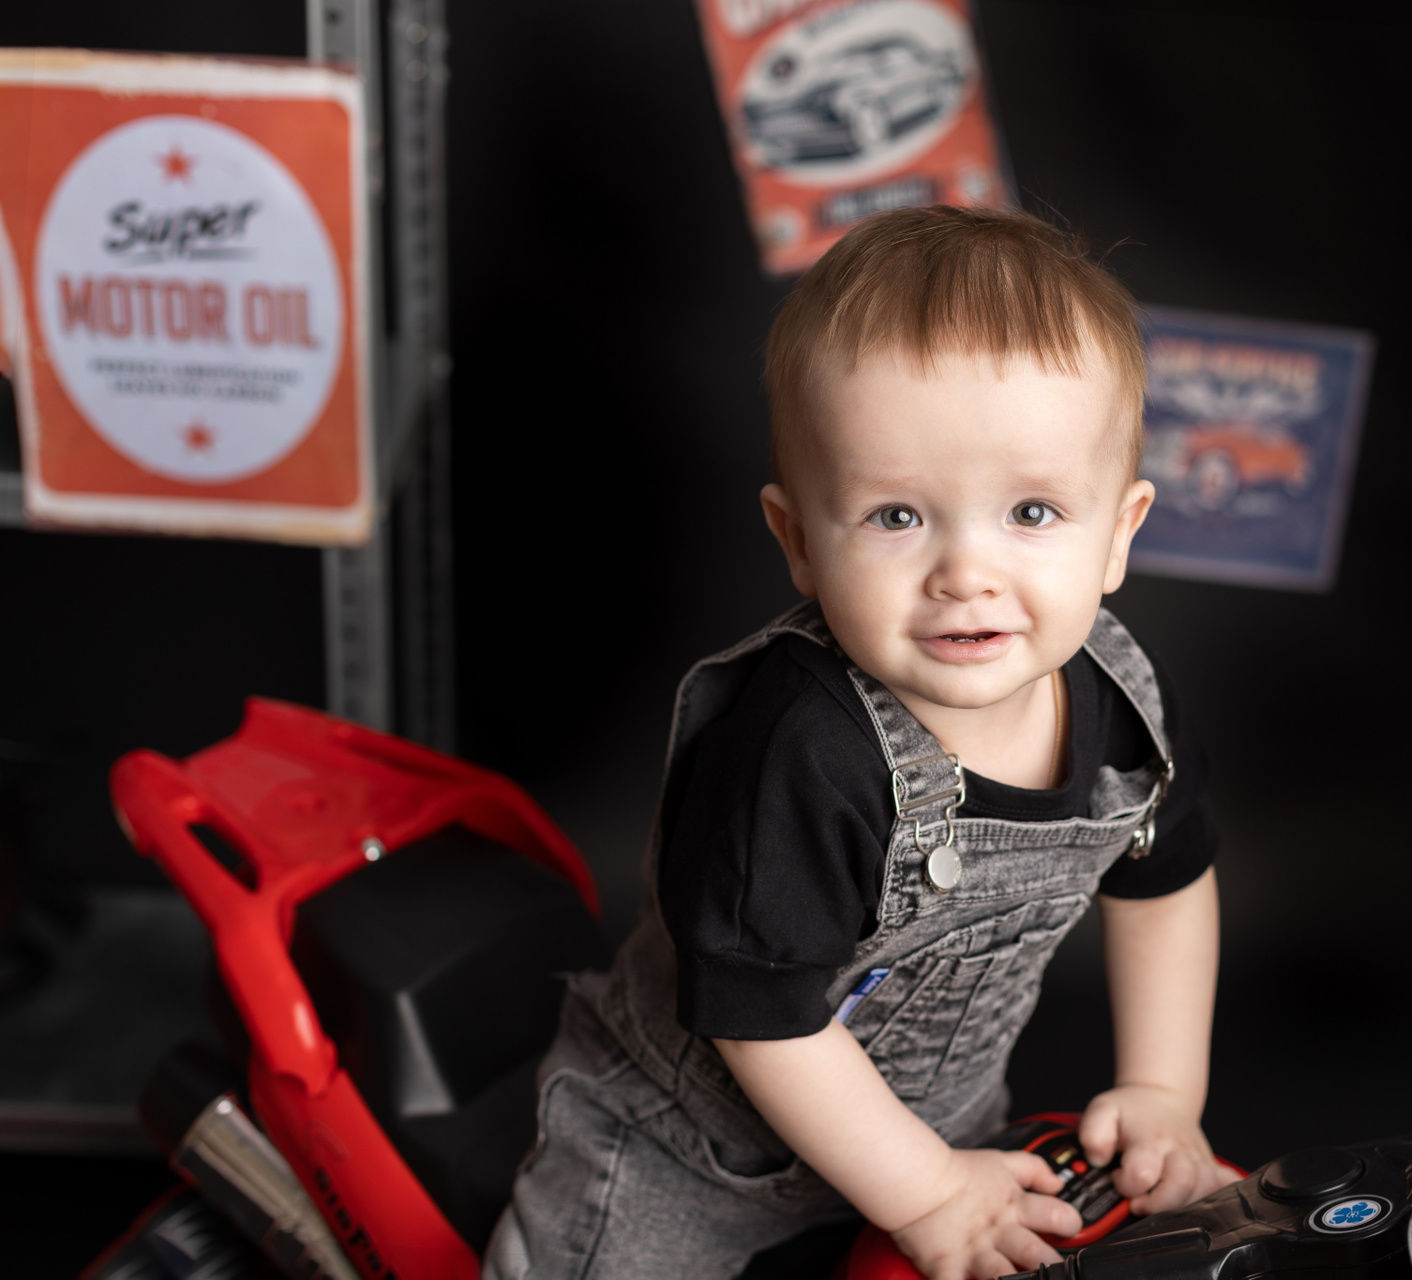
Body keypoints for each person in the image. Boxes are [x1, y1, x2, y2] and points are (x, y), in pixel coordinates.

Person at [486, 205, 1237, 1280]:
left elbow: (1166, 881)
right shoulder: (796, 748)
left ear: (1119, 532)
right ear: (799, 540)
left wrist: (1165, 1089)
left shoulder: (1124, 703)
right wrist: (925, 1192)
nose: (965, 574)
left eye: (1031, 513)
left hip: (939, 1124)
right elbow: (763, 1019)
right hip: (694, 1152)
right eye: (897, 517)